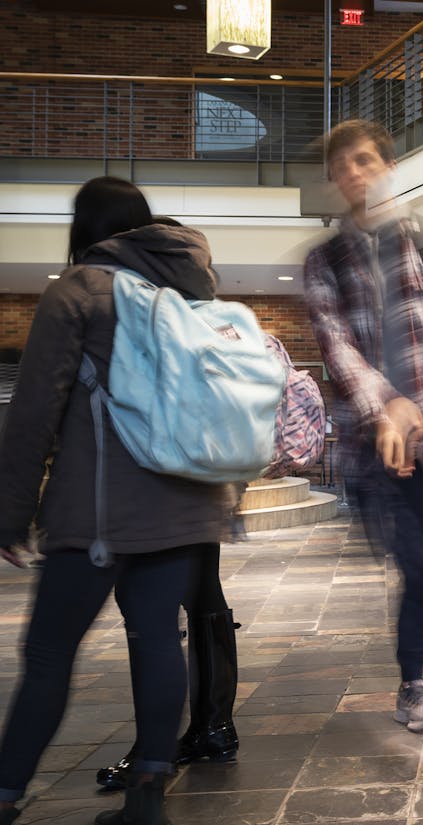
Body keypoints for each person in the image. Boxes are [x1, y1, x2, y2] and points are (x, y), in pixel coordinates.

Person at [0, 177, 238, 825]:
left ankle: (5, 792)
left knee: (49, 654)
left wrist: (10, 512)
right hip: (184, 508)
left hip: (95, 512)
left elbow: (32, 415)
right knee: (158, 638)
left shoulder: (76, 291)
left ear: (85, 228)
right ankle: (145, 802)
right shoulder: (187, 290)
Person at [304, 119, 423, 734]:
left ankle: (414, 679)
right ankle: (413, 670)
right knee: (398, 546)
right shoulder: (324, 261)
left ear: (387, 165)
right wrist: (387, 404)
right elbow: (338, 350)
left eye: (364, 160)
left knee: (417, 561)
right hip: (369, 445)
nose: (354, 174)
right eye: (342, 167)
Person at [94, 220, 243, 792]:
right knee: (202, 600)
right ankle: (213, 727)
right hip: (203, 484)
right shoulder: (212, 319)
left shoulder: (162, 319)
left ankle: (162, 745)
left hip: (166, 484)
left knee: (153, 613)